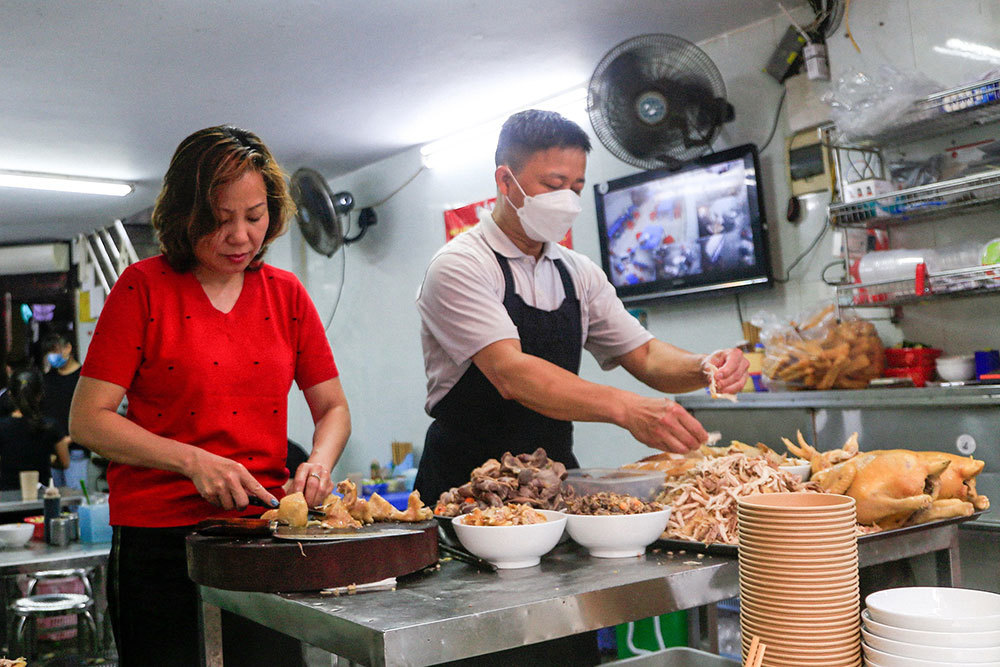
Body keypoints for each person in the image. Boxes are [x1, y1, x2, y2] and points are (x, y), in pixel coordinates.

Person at [69, 125, 351, 667]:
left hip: (259, 534)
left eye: (254, 216)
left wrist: (317, 463)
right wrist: (192, 461)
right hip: (159, 542)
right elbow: (88, 420)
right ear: (184, 215)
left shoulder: (286, 294)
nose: (241, 237)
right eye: (219, 221)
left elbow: (333, 408)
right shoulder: (142, 288)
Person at [415, 109, 749, 505]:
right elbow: (511, 374)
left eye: (575, 186)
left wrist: (703, 366)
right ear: (506, 181)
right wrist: (627, 408)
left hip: (550, 481)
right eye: (554, 184)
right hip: (465, 486)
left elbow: (644, 354)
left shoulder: (577, 272)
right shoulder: (461, 265)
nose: (568, 201)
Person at [0, 368, 71, 491]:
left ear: (10, 394)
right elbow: (64, 462)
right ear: (40, 395)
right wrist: (50, 460)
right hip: (40, 496)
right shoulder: (50, 426)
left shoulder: (2, 426)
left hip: (8, 497)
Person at [41, 331, 90, 490]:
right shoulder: (46, 379)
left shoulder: (84, 378)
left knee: (75, 500)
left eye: (55, 351)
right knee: (55, 502)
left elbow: (89, 416)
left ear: (68, 348)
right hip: (52, 452)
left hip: (76, 451)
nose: (52, 356)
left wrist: (67, 439)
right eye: (49, 352)